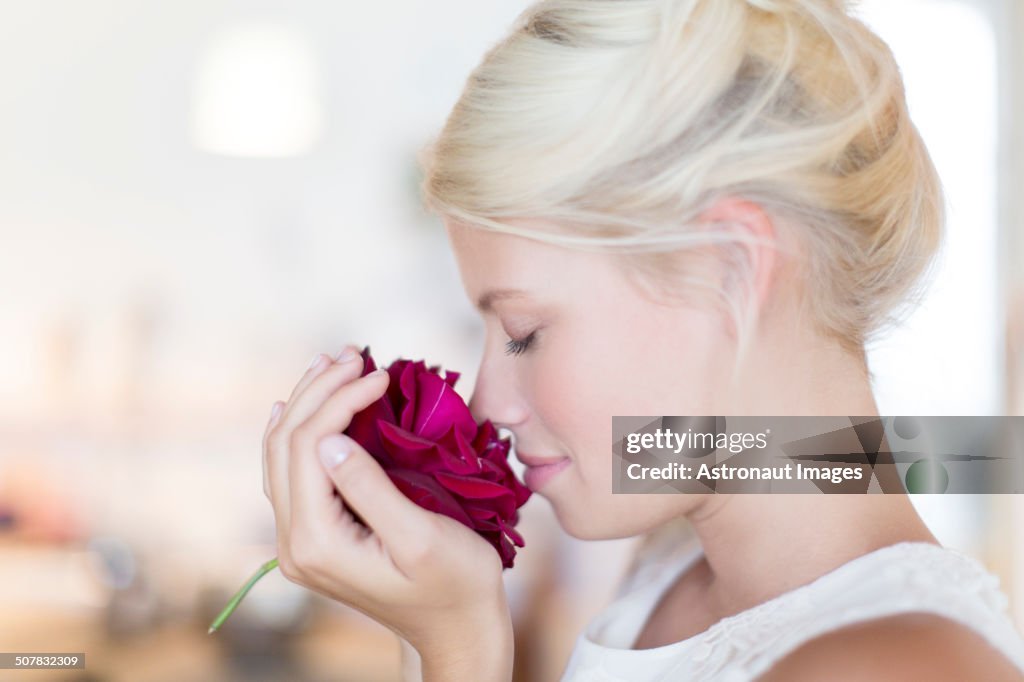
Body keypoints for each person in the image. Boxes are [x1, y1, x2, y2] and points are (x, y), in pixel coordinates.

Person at [262, 0, 1024, 679]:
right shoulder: (671, 568)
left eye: (525, 332)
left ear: (729, 267)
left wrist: (460, 647)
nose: (489, 400)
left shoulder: (897, 667)